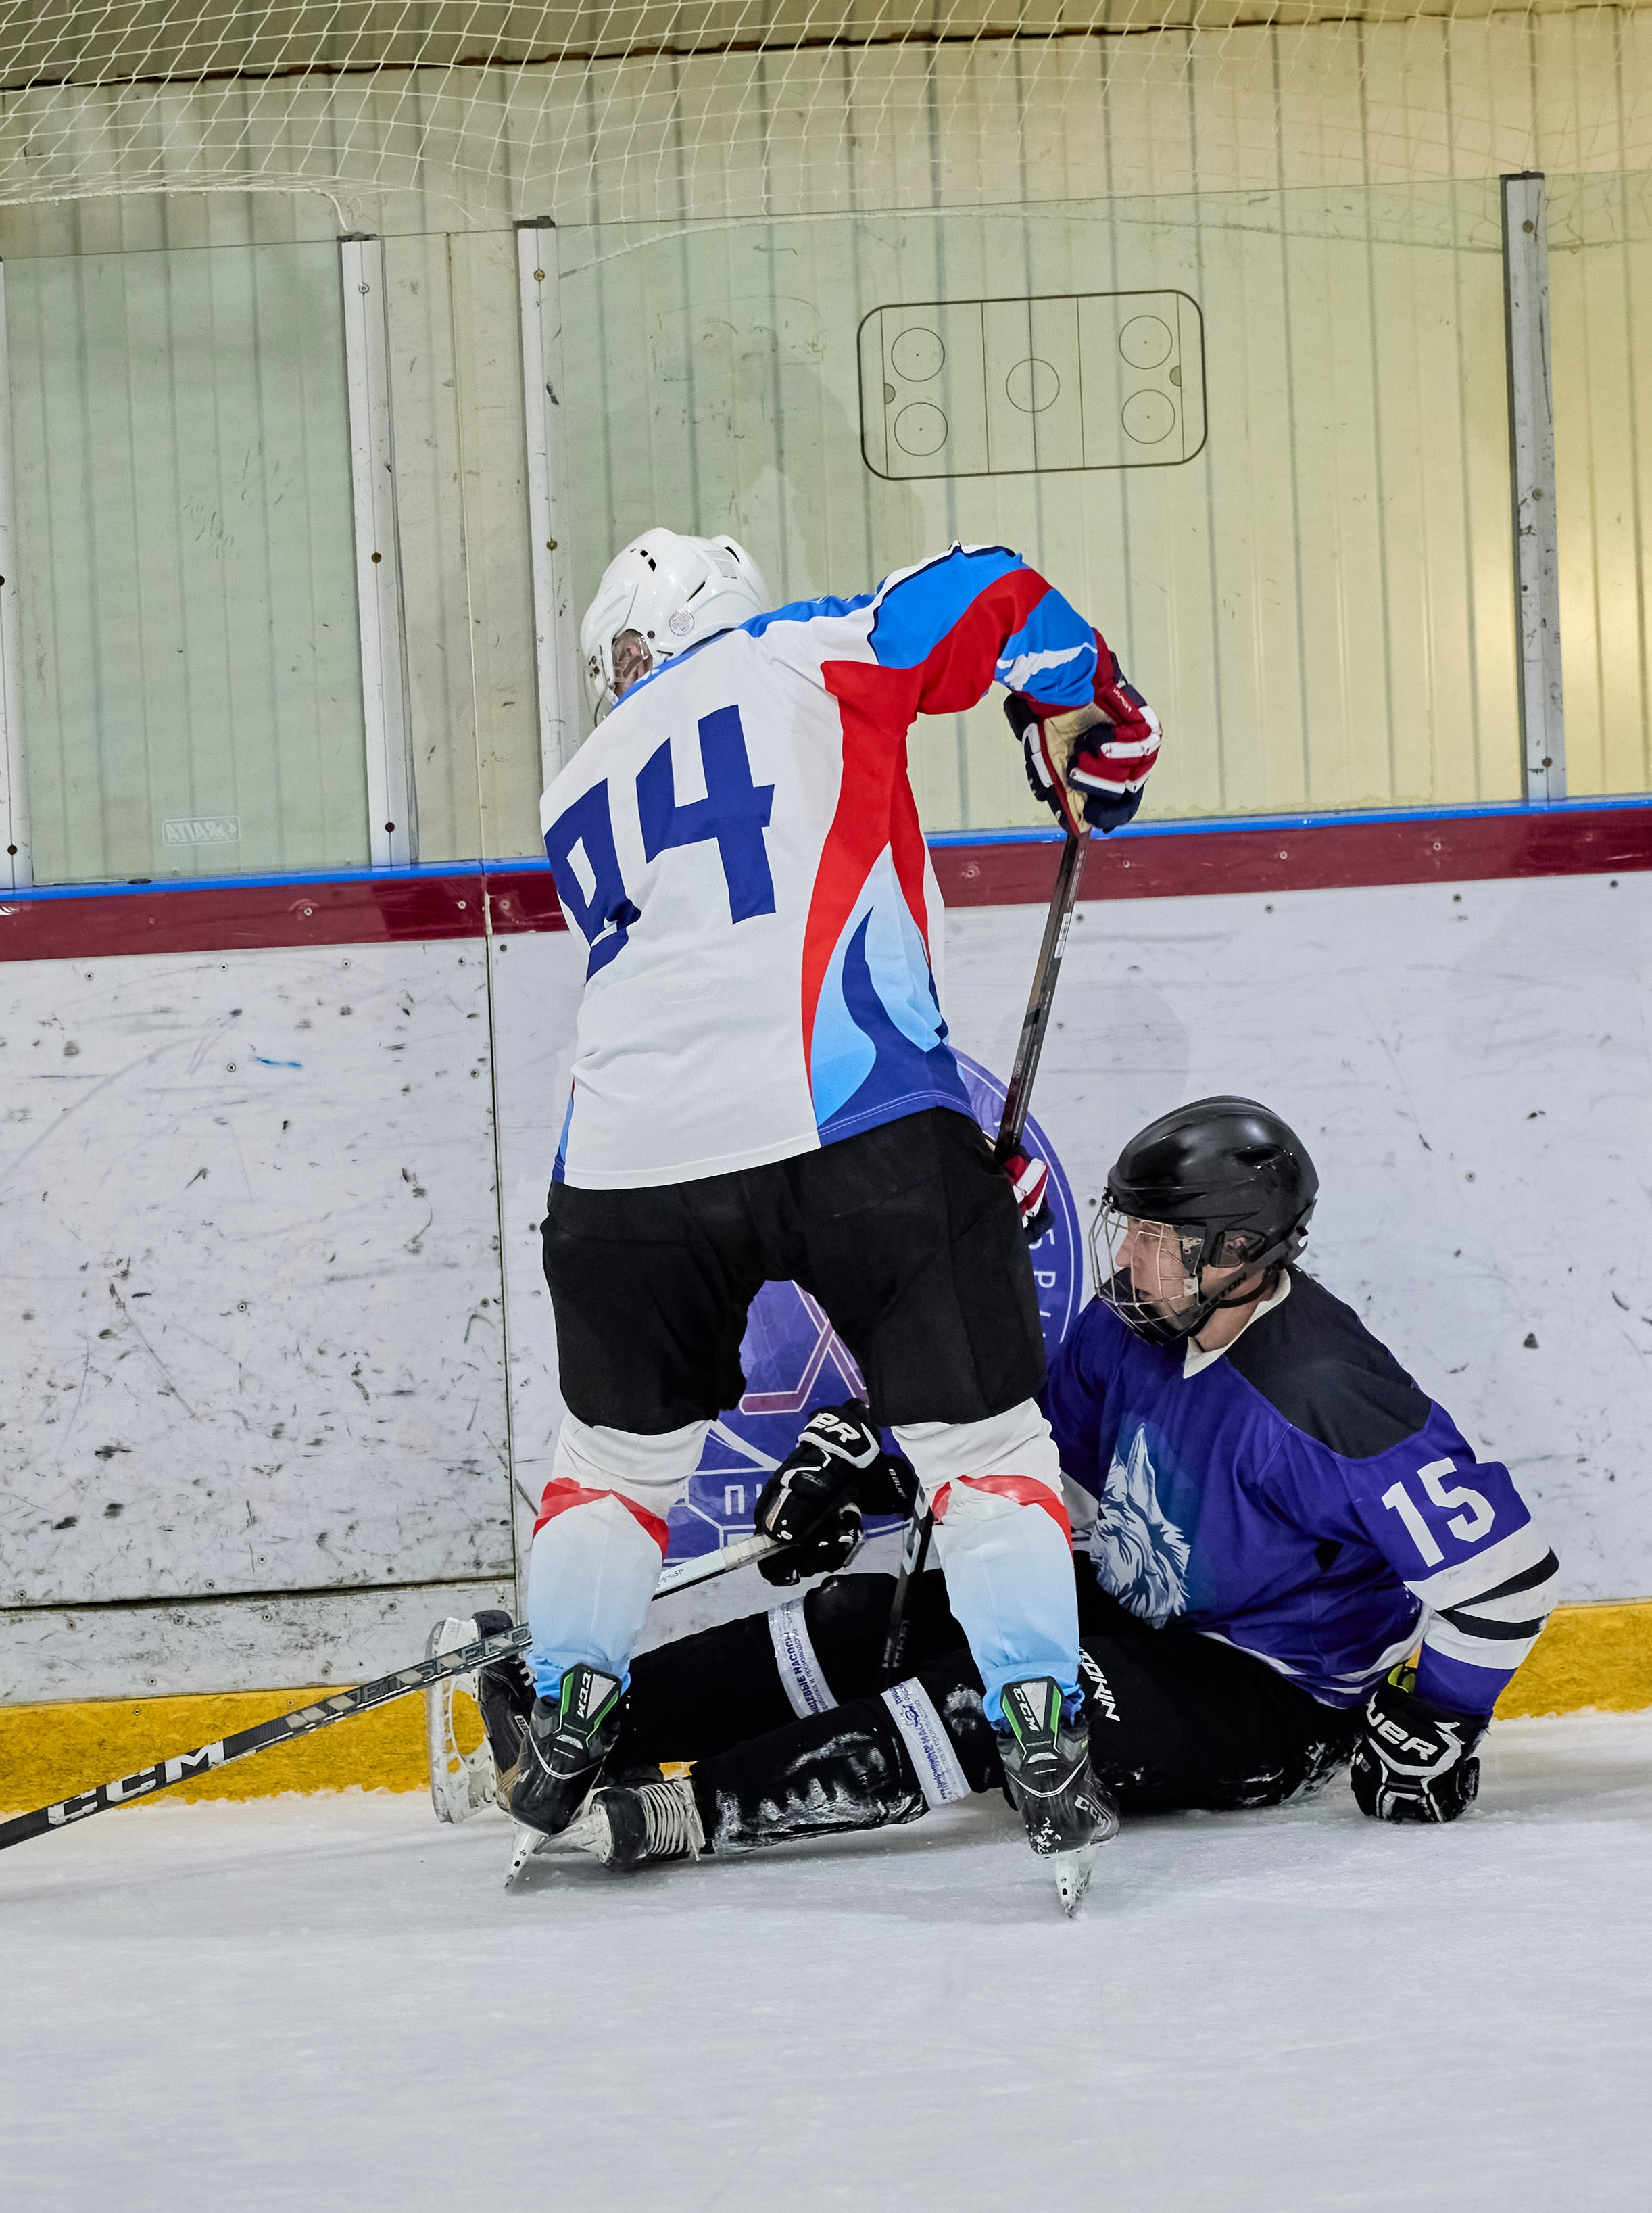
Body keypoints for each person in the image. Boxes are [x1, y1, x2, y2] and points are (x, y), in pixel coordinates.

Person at [502, 527, 1162, 1901]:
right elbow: (988, 590)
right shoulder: (797, 648)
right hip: (852, 1120)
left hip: (619, 1169)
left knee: (610, 1468)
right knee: (981, 1449)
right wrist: (1085, 705)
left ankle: (570, 1708)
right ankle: (1039, 1722)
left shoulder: (575, 787)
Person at [468, 1097, 1558, 1896]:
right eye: (1123, 1226)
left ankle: (686, 1813)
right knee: (879, 1617)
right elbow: (1010, 1459)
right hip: (1147, 1606)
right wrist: (873, 1461)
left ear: (1235, 1253)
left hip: (1272, 1696)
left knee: (1009, 1699)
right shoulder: (1132, 1330)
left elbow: (1505, 1582)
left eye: (1151, 1239)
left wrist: (1437, 1722)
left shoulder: (1325, 1397)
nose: (1124, 1259)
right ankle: (599, 1727)